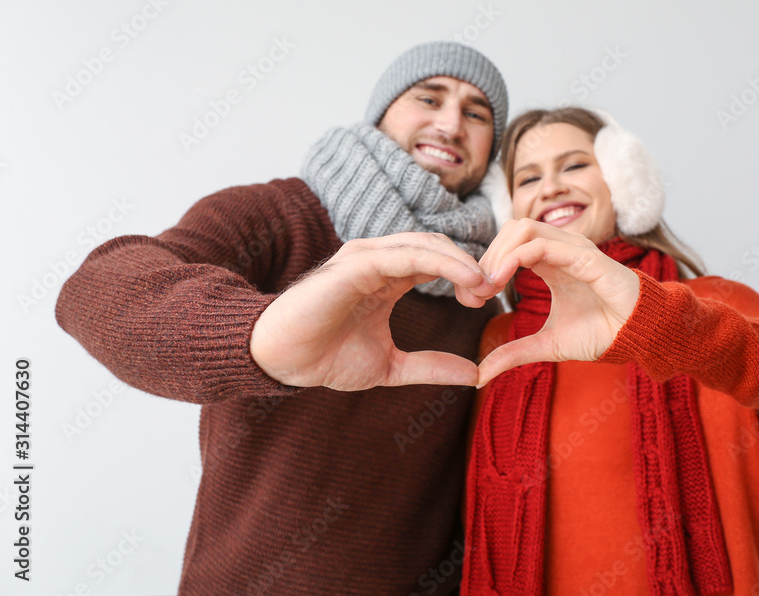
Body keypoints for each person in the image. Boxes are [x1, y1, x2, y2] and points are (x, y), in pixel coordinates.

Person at [56, 41, 509, 596]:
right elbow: (99, 286)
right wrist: (257, 338)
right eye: (429, 97)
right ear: (381, 113)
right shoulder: (281, 216)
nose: (450, 124)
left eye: (476, 113)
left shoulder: (486, 289)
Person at [461, 107, 759, 595]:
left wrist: (664, 326)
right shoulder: (497, 339)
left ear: (624, 182)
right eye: (528, 178)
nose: (550, 187)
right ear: (508, 209)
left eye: (574, 165)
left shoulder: (707, 307)